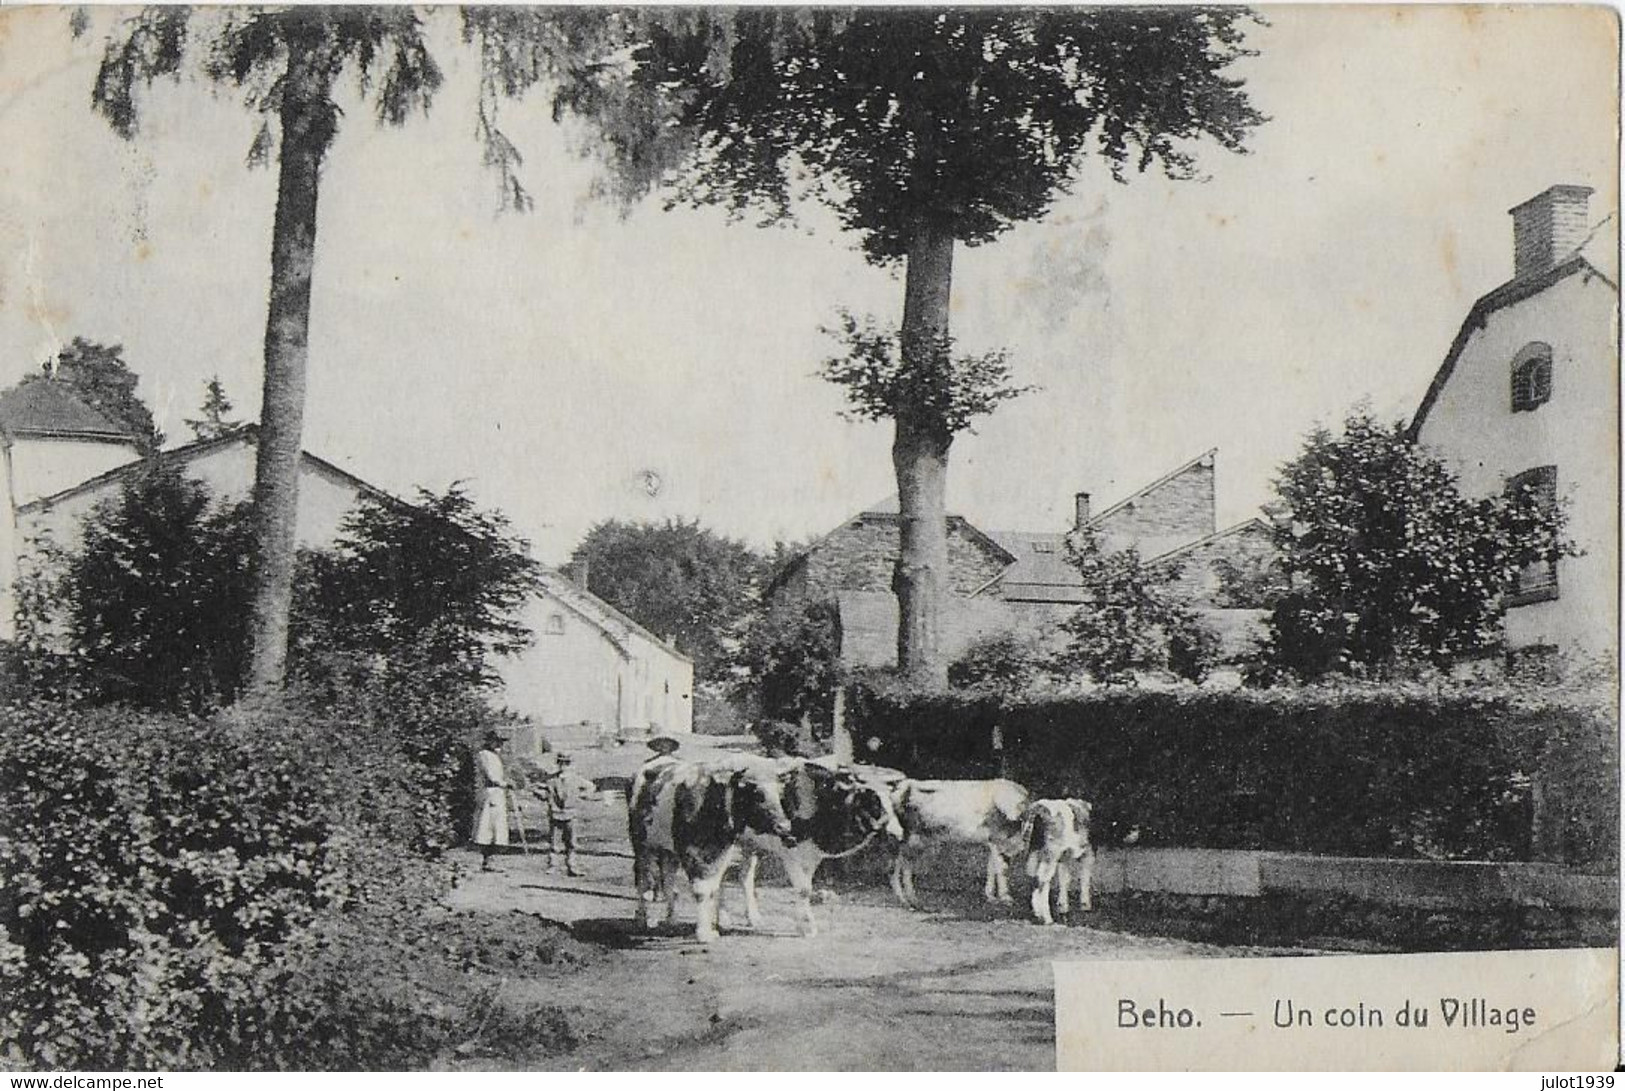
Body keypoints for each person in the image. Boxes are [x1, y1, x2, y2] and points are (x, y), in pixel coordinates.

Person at [537, 752, 595, 876]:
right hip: (555, 813)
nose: (564, 766)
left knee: (571, 842)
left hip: (571, 813)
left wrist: (582, 795)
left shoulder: (576, 779)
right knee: (554, 841)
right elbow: (538, 788)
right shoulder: (551, 779)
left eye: (567, 763)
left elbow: (591, 787)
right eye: (561, 763)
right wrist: (544, 795)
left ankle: (572, 865)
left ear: (571, 764)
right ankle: (553, 865)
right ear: (558, 764)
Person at [472, 729, 510, 872]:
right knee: (488, 825)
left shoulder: (494, 756)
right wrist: (505, 783)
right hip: (491, 792)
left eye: (501, 742)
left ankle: (491, 859)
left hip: (497, 793)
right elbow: (492, 777)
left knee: (497, 826)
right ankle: (485, 859)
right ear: (490, 741)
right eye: (497, 741)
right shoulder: (485, 755)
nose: (499, 744)